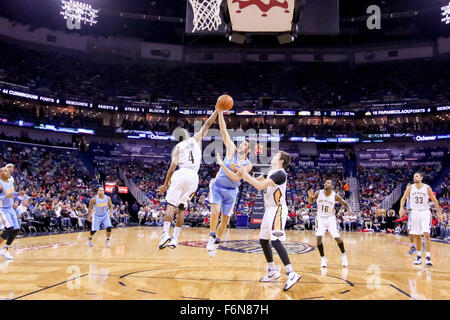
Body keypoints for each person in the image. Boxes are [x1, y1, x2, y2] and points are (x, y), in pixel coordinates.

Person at [238, 151, 301, 291]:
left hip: (278, 209)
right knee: (263, 240)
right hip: (269, 210)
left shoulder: (280, 174)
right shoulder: (273, 171)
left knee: (275, 240)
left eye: (275, 155)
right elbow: (260, 180)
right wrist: (241, 172)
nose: (272, 156)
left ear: (281, 161)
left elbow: (260, 186)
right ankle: (272, 270)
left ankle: (291, 273)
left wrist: (245, 175)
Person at [157, 109, 218, 250]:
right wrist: (217, 110)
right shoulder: (195, 139)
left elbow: (171, 169)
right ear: (184, 134)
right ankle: (175, 239)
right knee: (181, 209)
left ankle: (165, 234)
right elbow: (208, 124)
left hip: (181, 173)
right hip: (193, 177)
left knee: (171, 206)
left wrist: (165, 185)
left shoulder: (177, 147)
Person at [209, 110, 252, 256]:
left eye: (244, 144)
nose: (241, 145)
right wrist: (220, 113)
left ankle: (216, 242)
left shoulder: (248, 164)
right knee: (215, 213)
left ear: (248, 149)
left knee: (225, 219)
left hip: (232, 191)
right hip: (217, 187)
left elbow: (235, 178)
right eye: (241, 143)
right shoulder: (231, 150)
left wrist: (221, 165)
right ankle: (211, 236)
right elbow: (223, 130)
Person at [399, 172, 443, 266]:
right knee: (417, 235)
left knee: (426, 234)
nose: (415, 177)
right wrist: (401, 208)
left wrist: (439, 213)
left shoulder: (427, 187)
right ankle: (418, 257)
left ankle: (428, 258)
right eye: (414, 176)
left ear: (421, 178)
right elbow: (403, 198)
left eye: (417, 176)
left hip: (424, 212)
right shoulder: (410, 188)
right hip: (414, 212)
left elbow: (434, 200)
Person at [307, 180, 351, 268]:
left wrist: (349, 210)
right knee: (318, 238)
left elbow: (345, 203)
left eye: (328, 182)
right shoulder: (318, 193)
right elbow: (310, 202)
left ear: (332, 186)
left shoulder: (335, 196)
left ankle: (344, 255)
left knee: (337, 238)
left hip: (330, 218)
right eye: (325, 182)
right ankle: (323, 258)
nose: (326, 183)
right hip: (320, 218)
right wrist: (309, 197)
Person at [0, 167, 20, 260]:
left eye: (8, 171)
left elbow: (11, 193)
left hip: (10, 209)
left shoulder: (10, 182)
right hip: (2, 209)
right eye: (5, 171)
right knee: (9, 229)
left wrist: (19, 194)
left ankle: (5, 250)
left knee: (16, 230)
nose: (8, 172)